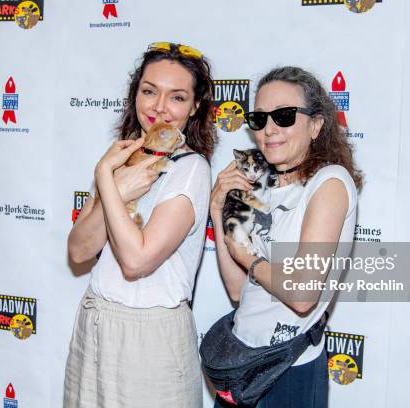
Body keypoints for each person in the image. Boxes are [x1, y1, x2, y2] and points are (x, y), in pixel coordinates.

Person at [64, 42, 215, 408]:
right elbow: (80, 251)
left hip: (150, 338)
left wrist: (106, 181)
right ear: (136, 95)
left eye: (177, 97)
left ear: (195, 107)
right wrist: (112, 181)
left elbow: (136, 261)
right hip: (95, 322)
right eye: (149, 91)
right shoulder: (120, 160)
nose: (159, 106)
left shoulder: (190, 169)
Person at [209, 66, 363, 408]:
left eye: (284, 116)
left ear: (316, 125)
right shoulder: (266, 187)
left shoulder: (330, 183)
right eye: (259, 118)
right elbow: (238, 289)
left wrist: (249, 257)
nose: (269, 129)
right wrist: (219, 211)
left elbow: (303, 295)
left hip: (288, 371)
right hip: (242, 362)